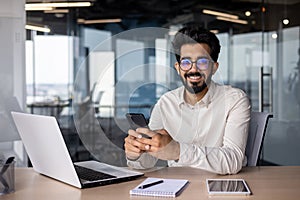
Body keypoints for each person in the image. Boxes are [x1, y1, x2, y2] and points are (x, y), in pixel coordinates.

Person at [124, 25, 251, 175]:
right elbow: (148, 161)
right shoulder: (166, 103)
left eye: (202, 62)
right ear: (178, 67)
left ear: (214, 67)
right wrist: (135, 155)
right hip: (177, 187)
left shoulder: (234, 100)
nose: (193, 69)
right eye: (186, 62)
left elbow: (233, 160)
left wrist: (177, 151)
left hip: (222, 185)